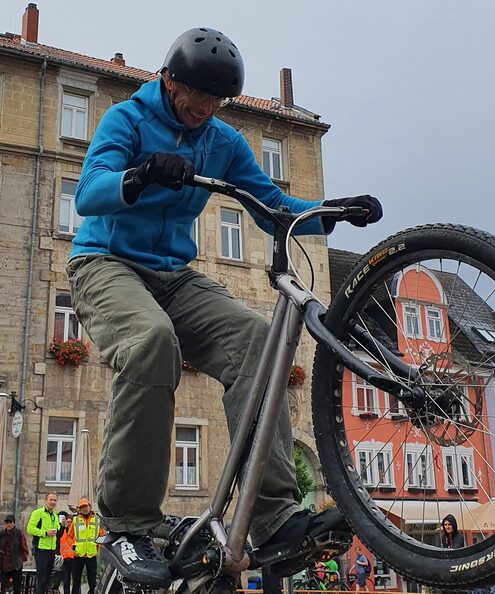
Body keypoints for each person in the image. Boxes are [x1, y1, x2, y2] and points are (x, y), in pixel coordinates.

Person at [67, 26, 381, 590]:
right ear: (169, 81)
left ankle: (275, 516)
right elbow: (89, 190)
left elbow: (273, 206)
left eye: (217, 102)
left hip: (174, 276)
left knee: (256, 341)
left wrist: (329, 212)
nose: (206, 110)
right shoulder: (126, 120)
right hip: (105, 264)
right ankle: (128, 526)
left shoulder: (222, 140)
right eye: (197, 97)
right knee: (150, 340)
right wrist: (138, 175)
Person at [26, 492, 60, 594]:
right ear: (46, 501)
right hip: (41, 550)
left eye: (55, 500)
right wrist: (45, 533)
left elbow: (57, 529)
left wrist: (61, 526)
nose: (53, 502)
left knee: (48, 579)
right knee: (41, 579)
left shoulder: (55, 515)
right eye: (51, 500)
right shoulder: (38, 513)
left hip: (51, 550)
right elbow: (30, 529)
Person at [68, 499, 103, 594]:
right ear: (79, 509)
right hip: (78, 555)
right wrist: (73, 546)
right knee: (76, 581)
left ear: (90, 507)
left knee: (92, 582)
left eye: (85, 506)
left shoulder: (97, 520)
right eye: (82, 507)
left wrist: (98, 546)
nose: (84, 509)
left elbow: (102, 536)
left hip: (91, 555)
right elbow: (69, 536)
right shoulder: (75, 520)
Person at [0, 515, 29, 594]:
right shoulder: (2, 534)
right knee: (3, 588)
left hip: (16, 565)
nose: (8, 524)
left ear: (14, 523)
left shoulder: (18, 533)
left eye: (10, 522)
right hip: (4, 565)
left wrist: (21, 560)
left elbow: (24, 547)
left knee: (17, 588)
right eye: (7, 522)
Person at [57, 512, 75, 594]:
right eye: (68, 522)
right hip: (64, 559)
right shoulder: (62, 531)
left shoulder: (75, 532)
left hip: (74, 558)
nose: (69, 524)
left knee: (76, 580)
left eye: (71, 522)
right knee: (66, 581)